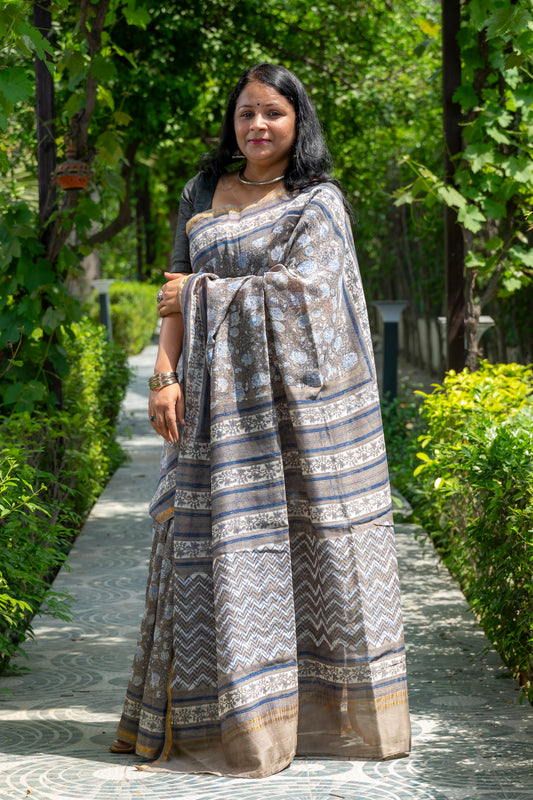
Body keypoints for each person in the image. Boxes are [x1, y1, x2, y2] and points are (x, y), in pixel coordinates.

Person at [111, 63, 411, 779]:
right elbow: (173, 296)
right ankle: (229, 718)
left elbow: (316, 297)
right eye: (246, 112)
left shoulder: (318, 202)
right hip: (213, 414)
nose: (256, 126)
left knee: (314, 550)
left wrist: (208, 291)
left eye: (272, 113)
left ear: (296, 121)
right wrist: (163, 376)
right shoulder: (199, 190)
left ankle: (317, 719)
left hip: (301, 418)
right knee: (204, 546)